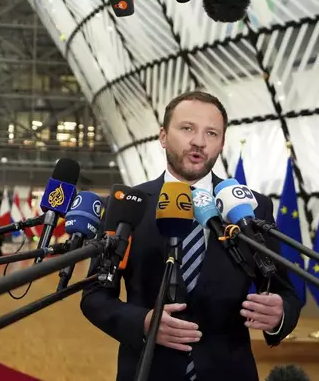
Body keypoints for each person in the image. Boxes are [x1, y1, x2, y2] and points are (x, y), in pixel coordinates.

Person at [80, 91, 302, 381]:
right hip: (147, 371)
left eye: (211, 133)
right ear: (162, 136)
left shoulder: (250, 206)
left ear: (222, 143)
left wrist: (279, 315)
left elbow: (285, 292)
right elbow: (96, 296)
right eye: (187, 129)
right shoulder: (126, 205)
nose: (199, 141)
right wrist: (143, 323)